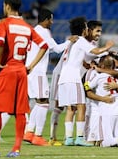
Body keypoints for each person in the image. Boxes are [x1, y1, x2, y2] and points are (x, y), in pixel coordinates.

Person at [0, 0, 48, 158]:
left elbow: (0, 43)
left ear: (7, 6)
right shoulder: (26, 26)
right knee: (20, 112)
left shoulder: (3, 23)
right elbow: (44, 46)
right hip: (22, 72)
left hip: (7, 70)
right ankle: (16, 149)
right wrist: (30, 66)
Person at [23, 8, 78, 146]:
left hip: (30, 70)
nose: (52, 22)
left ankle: (29, 132)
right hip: (38, 71)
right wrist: (69, 41)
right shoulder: (44, 32)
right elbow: (57, 49)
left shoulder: (33, 31)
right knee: (44, 103)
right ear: (46, 19)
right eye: (51, 19)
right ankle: (38, 136)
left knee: (39, 102)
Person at [57, 17, 114, 146]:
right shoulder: (81, 40)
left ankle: (68, 138)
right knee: (81, 106)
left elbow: (88, 57)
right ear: (84, 30)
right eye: (86, 27)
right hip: (73, 77)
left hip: (63, 78)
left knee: (71, 108)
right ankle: (80, 138)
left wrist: (93, 60)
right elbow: (94, 51)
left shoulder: (72, 41)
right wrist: (107, 47)